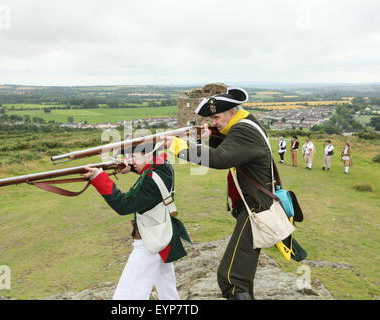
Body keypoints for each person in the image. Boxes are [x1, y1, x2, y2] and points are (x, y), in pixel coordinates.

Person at [162, 87, 274, 300]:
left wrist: (179, 146)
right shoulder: (245, 124)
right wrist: (209, 136)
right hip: (254, 204)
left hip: (256, 207)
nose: (213, 122)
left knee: (232, 277)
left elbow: (221, 159)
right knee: (239, 274)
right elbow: (230, 148)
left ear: (232, 112)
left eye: (216, 117)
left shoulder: (243, 130)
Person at [81, 144, 190, 300]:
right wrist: (132, 168)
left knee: (127, 295)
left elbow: (124, 205)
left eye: (133, 156)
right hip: (161, 232)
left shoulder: (152, 179)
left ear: (150, 153)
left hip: (150, 239)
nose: (128, 160)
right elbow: (149, 170)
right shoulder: (163, 165)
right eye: (127, 157)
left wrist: (99, 178)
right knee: (168, 291)